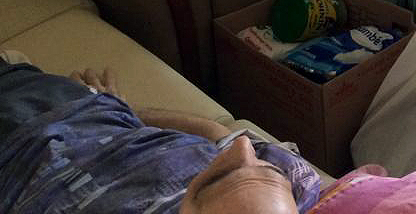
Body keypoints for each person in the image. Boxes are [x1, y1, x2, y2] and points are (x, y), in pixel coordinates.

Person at [0, 55, 321, 213]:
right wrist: (119, 108)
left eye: (217, 178)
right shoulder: (300, 182)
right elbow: (218, 132)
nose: (242, 148)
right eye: (269, 171)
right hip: (78, 106)